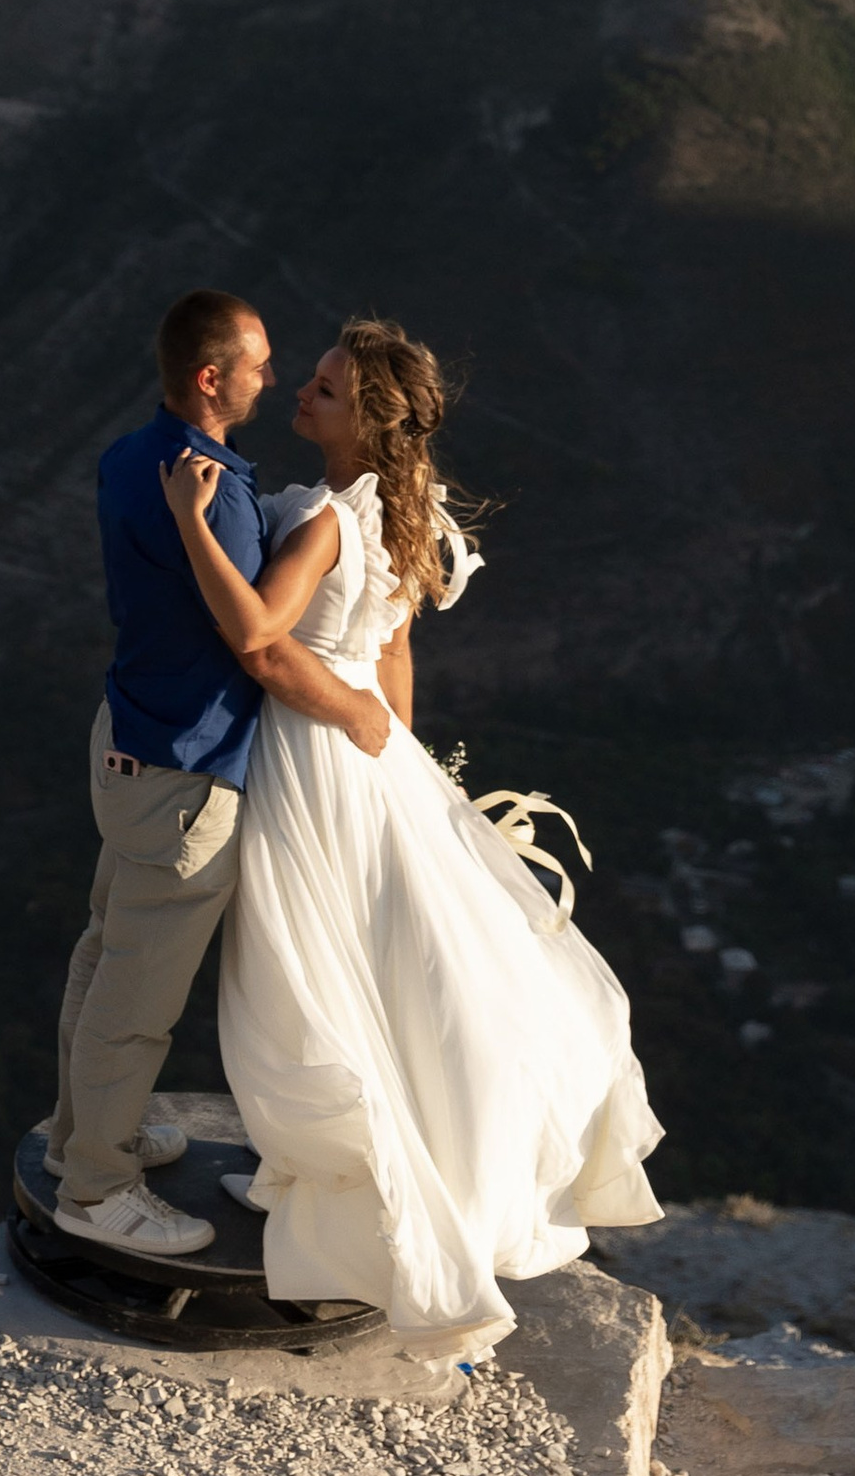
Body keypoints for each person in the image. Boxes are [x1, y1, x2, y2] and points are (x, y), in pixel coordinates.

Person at [161, 315, 663, 1361]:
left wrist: (189, 524)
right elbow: (391, 657)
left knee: (312, 967)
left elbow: (257, 640)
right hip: (370, 761)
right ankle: (407, 1150)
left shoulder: (329, 524)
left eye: (328, 392)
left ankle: (361, 1164)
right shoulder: (404, 510)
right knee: (386, 959)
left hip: (311, 750)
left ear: (368, 425)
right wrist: (403, 765)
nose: (304, 393)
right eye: (311, 378)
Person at [45, 288, 395, 1263]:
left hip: (125, 738)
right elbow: (261, 647)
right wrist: (365, 715)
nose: (274, 378)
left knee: (100, 952)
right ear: (212, 377)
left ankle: (88, 1133)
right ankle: (97, 1187)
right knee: (137, 1001)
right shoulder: (219, 494)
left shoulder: (129, 455)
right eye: (259, 363)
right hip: (187, 772)